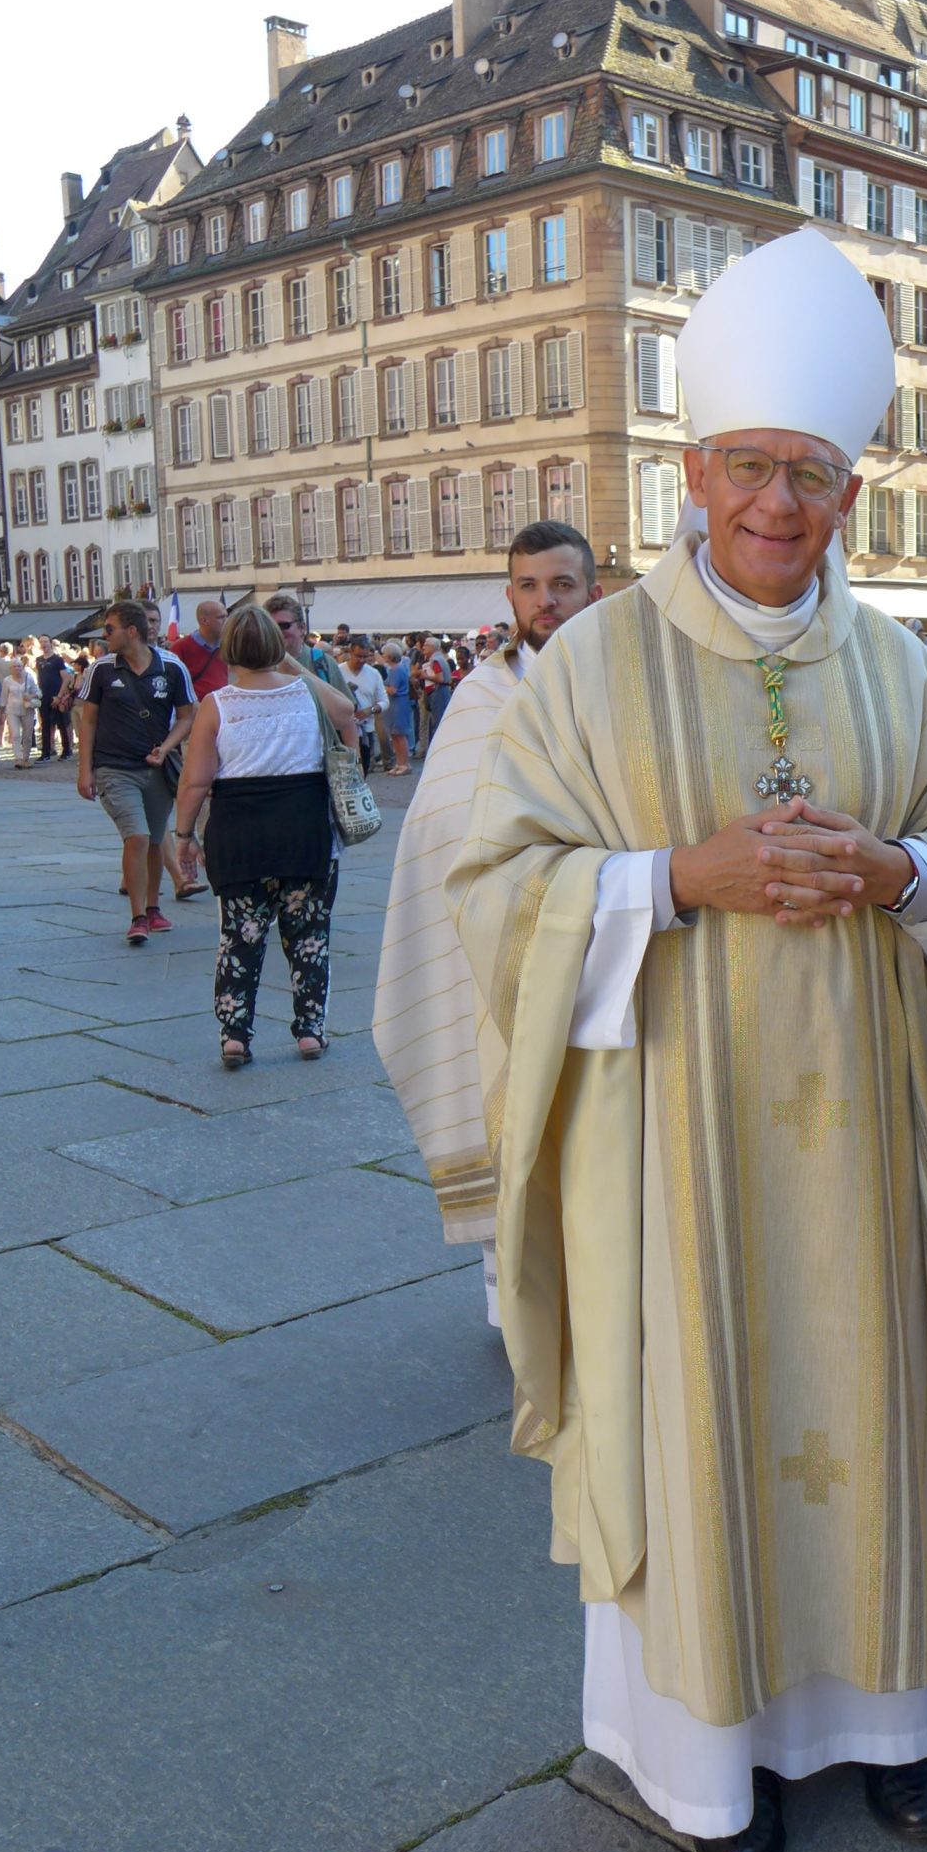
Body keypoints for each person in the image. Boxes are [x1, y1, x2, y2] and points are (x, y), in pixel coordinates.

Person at [446, 230, 927, 1852]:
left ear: (851, 489)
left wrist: (901, 872)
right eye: (752, 467)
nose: (780, 503)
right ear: (694, 470)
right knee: (699, 1419)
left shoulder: (902, 665)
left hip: (868, 1148)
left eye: (813, 475)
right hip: (673, 1154)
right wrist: (673, 881)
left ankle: (894, 1730)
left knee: (877, 1421)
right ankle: (712, 1765)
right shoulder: (593, 664)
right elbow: (494, 888)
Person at [376, 525, 605, 1320]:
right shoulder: (481, 696)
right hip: (500, 942)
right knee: (499, 1097)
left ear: (592, 590)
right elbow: (440, 824)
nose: (546, 601)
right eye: (529, 586)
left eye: (562, 585)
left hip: (613, 936)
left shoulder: (632, 686)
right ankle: (509, 1290)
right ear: (510, 596)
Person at [169, 603, 355, 1064]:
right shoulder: (306, 694)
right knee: (309, 936)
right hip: (305, 831)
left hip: (240, 835)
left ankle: (235, 1036)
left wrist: (184, 835)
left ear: (228, 649)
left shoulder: (217, 705)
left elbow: (194, 781)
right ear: (276, 646)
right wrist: (291, 664)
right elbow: (347, 712)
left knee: (239, 938)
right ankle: (310, 1030)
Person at [78, 601, 197, 944]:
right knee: (138, 836)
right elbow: (88, 721)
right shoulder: (101, 669)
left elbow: (188, 715)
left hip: (156, 769)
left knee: (156, 841)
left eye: (109, 629)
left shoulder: (172, 667)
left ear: (131, 631)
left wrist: (168, 745)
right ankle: (138, 915)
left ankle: (154, 907)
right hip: (114, 767)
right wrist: (85, 770)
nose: (105, 636)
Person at [266, 594, 354, 701]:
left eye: (283, 626)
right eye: (270, 626)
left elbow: (347, 711)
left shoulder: (323, 663)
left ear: (302, 628)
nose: (276, 632)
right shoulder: (258, 666)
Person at [342, 642, 390, 773]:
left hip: (366, 730)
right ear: (350, 653)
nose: (362, 660)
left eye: (365, 657)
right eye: (358, 656)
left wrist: (370, 710)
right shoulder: (338, 671)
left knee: (363, 769)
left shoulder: (374, 674)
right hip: (342, 730)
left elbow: (384, 701)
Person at [378, 643, 416, 774]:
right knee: (395, 735)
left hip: (398, 703)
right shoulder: (396, 669)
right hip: (396, 704)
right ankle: (399, 763)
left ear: (389, 655)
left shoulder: (396, 670)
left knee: (399, 735)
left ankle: (404, 763)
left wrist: (380, 687)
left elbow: (392, 690)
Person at [1, 647, 38, 768]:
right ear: (10, 669)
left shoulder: (29, 677)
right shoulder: (7, 680)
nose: (17, 669)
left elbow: (37, 692)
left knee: (27, 735)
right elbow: (4, 697)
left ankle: (25, 758)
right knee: (15, 734)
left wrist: (31, 695)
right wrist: (2, 711)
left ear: (23, 667)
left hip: (28, 709)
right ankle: (18, 758)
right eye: (15, 666)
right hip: (12, 710)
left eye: (19, 666)